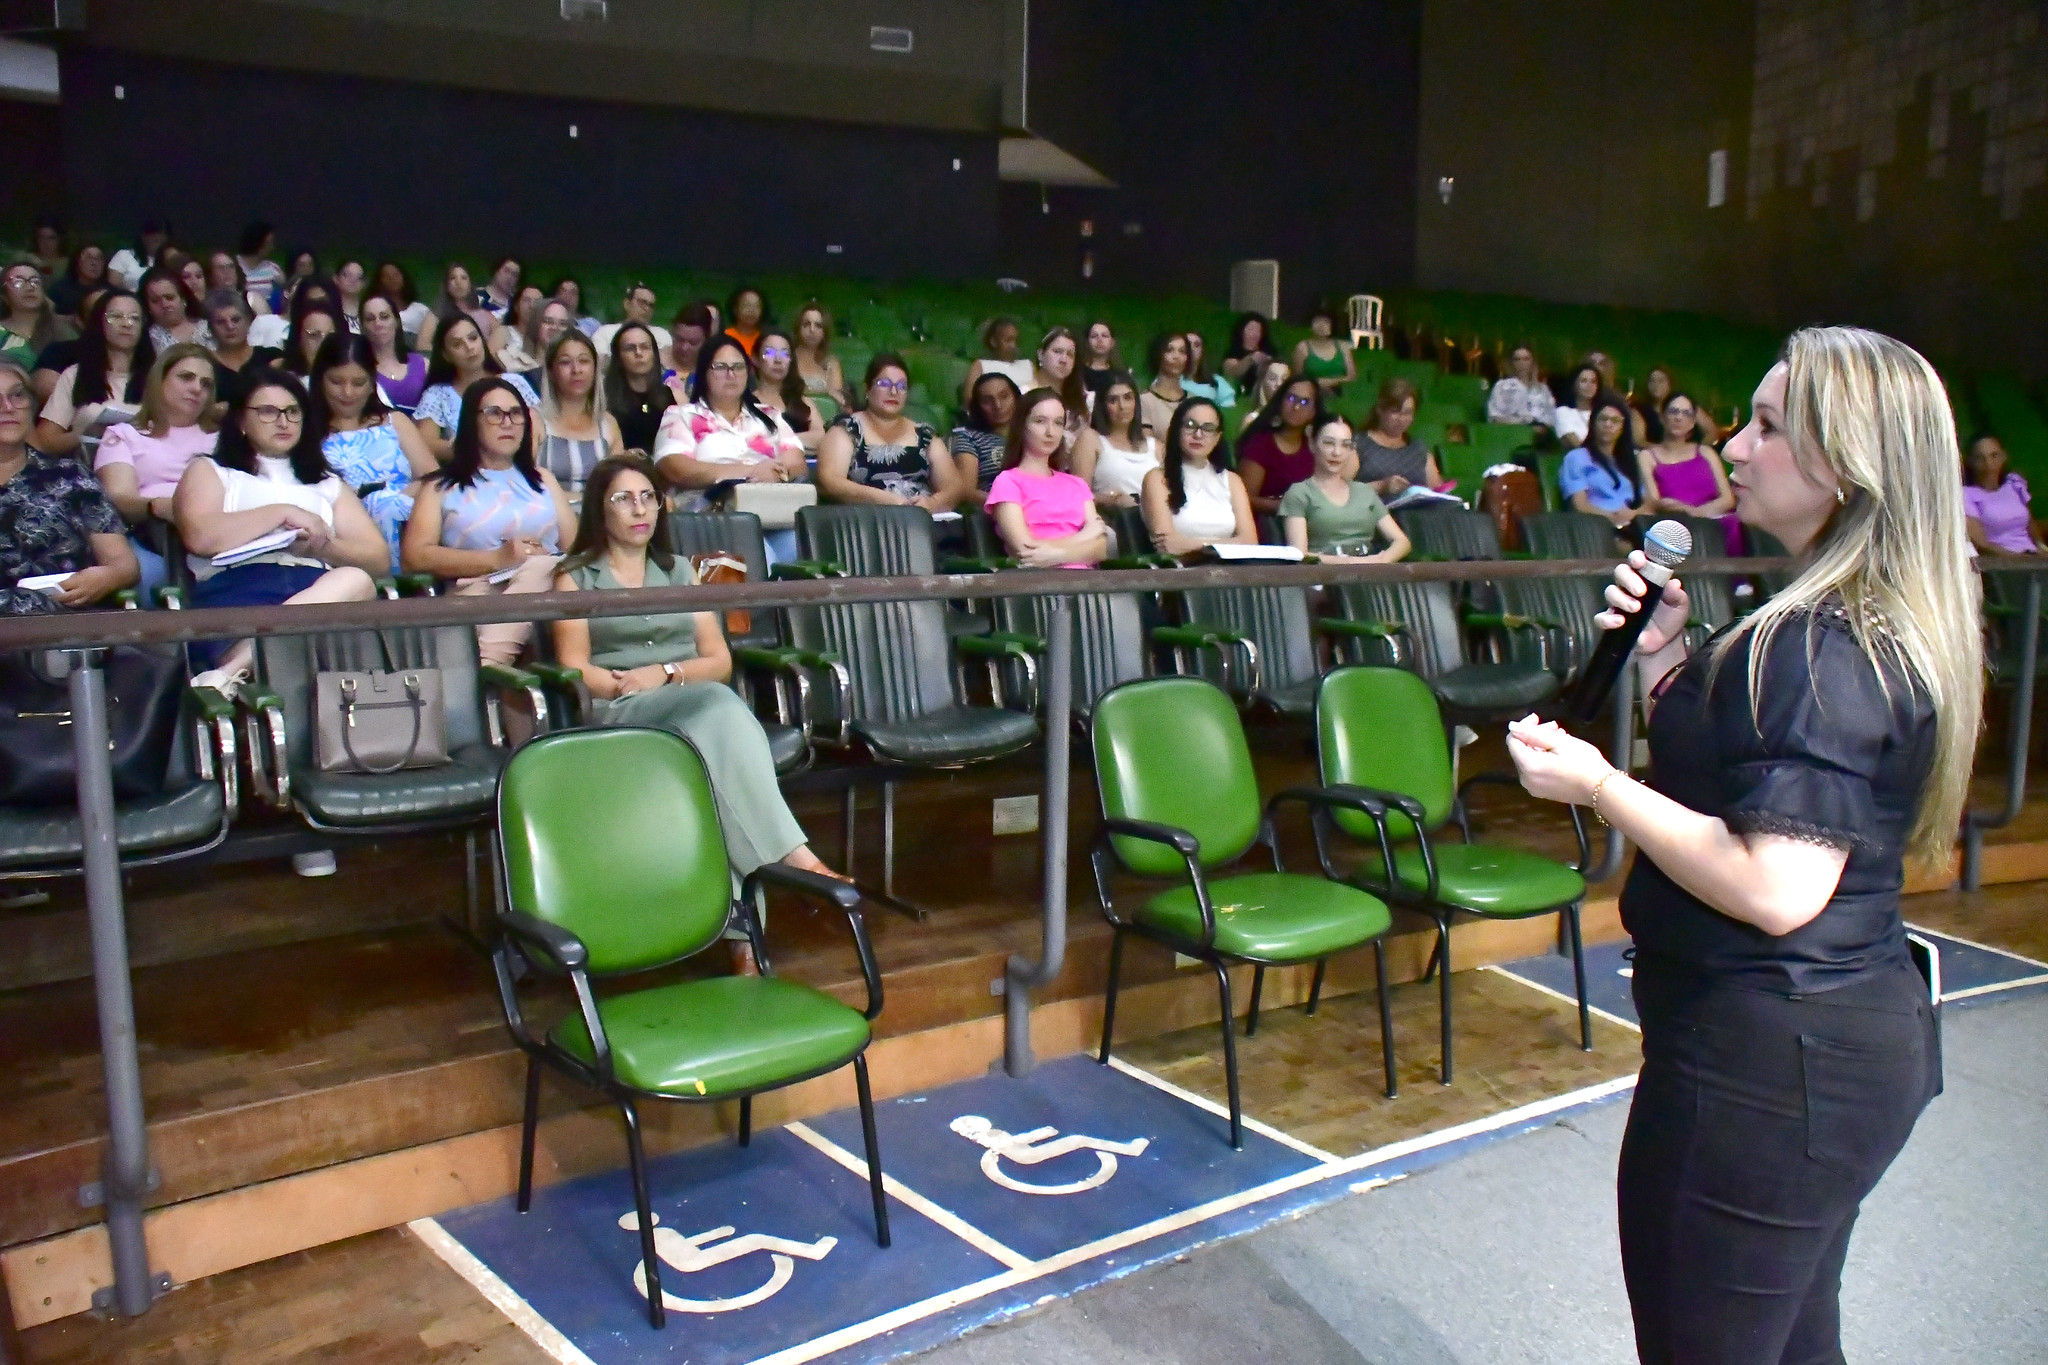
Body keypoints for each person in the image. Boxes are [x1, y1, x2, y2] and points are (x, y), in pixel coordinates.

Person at [1507, 327, 1968, 1363]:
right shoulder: (1860, 618)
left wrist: (1595, 783)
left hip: (1764, 1070)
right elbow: (1764, 778)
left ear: (1843, 467)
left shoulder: (1815, 639)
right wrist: (1669, 658)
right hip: (1829, 1047)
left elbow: (1775, 882)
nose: (1731, 445)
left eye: (1765, 427)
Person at [550, 452, 844, 972]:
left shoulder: (680, 571)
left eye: (648, 497)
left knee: (712, 747)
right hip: (619, 709)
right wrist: (625, 683)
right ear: (600, 510)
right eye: (623, 498)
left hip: (680, 699)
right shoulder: (575, 578)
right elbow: (574, 667)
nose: (639, 509)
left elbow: (719, 660)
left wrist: (663, 674)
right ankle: (794, 862)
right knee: (721, 711)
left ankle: (744, 938)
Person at [171, 368, 385, 682]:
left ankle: (228, 675)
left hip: (318, 593)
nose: (284, 422)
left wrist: (322, 546)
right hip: (238, 592)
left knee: (355, 579)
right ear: (241, 421)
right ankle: (243, 663)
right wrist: (282, 513)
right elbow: (200, 537)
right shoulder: (212, 470)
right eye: (269, 412)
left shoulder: (327, 483)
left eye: (293, 412)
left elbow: (378, 560)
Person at [402, 376, 576, 667]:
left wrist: (536, 561)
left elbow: (576, 549)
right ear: (472, 422)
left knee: (550, 566)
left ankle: (485, 667)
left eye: (516, 413)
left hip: (548, 594)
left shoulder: (544, 480)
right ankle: (490, 667)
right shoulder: (440, 486)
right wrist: (498, 558)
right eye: (495, 413)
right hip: (476, 593)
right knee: (547, 573)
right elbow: (414, 557)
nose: (507, 422)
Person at [0, 359, 139, 617]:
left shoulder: (71, 476)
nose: (8, 407)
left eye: (17, 395)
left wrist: (106, 577)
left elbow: (125, 565)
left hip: (66, 627)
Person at [95, 343, 219, 599]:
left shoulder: (223, 439)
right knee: (147, 575)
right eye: (186, 378)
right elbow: (119, 499)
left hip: (219, 536)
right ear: (159, 381)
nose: (197, 388)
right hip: (151, 537)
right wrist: (163, 507)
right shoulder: (124, 435)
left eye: (206, 383)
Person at [310, 332, 436, 572]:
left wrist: (397, 494)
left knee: (384, 504)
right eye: (336, 382)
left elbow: (434, 477)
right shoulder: (308, 433)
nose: (348, 393)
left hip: (402, 519)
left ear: (371, 383)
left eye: (358, 383)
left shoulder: (393, 422)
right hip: (343, 529)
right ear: (320, 380)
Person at [655, 334, 806, 514]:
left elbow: (796, 463)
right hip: (710, 516)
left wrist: (776, 473)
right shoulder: (681, 416)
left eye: (738, 367)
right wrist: (750, 472)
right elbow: (676, 468)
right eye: (720, 367)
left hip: (771, 511)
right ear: (704, 373)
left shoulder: (770, 415)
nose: (731, 374)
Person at [817, 353, 966, 512]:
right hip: (865, 522)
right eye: (884, 383)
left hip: (923, 522)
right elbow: (829, 482)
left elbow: (954, 487)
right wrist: (886, 499)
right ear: (867, 389)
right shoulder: (846, 429)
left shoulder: (925, 435)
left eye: (902, 386)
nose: (894, 391)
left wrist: (932, 503)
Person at [985, 388, 1108, 569]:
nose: (1050, 432)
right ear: (1021, 425)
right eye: (1040, 421)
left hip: (1088, 586)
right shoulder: (1008, 481)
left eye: (1058, 423)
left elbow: (1100, 548)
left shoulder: (1076, 484)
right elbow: (1025, 548)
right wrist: (1083, 538)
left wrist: (1054, 556)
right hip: (1040, 588)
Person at [35, 290, 151, 457]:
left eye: (134, 318)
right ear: (100, 322)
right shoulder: (75, 375)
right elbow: (45, 440)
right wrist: (83, 435)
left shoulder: (160, 376)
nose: (127, 323)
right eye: (116, 316)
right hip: (90, 471)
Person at [1280, 414, 1411, 561]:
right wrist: (1350, 562)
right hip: (1327, 576)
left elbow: (1402, 541)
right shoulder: (1299, 493)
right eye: (1329, 443)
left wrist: (1381, 560)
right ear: (1312, 444)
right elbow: (1299, 555)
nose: (1337, 452)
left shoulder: (1364, 492)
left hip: (1372, 571)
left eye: (1345, 445)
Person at [412, 313, 540, 463]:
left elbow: (538, 429)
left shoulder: (515, 383)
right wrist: (473, 452)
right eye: (457, 344)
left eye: (473, 338)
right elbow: (426, 443)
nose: (469, 347)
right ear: (445, 355)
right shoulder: (438, 394)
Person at [1142, 396, 1256, 557]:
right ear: (1176, 430)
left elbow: (1250, 542)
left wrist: (1196, 546)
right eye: (1190, 425)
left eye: (1208, 428)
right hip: (1179, 572)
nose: (1198, 434)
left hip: (1230, 570)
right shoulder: (1157, 479)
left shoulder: (1232, 480)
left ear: (1218, 437)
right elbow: (1168, 546)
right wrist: (1229, 545)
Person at [1638, 391, 1739, 552]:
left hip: (1714, 521)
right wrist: (1685, 513)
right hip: (1675, 527)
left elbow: (1727, 499)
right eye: (1673, 412)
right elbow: (1655, 501)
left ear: (1692, 422)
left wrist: (1695, 513)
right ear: (1662, 417)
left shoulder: (1706, 453)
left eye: (1686, 413)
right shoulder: (1647, 456)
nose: (1679, 418)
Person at [536, 331, 621, 500]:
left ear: (595, 368)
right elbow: (525, 482)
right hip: (549, 516)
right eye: (565, 362)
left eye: (584, 361)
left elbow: (618, 484)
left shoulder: (608, 423)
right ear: (552, 371)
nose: (576, 370)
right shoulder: (534, 419)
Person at [1072, 371, 1158, 513]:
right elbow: (1077, 497)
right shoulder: (1091, 439)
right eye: (1113, 400)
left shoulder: (1156, 447)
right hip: (1112, 523)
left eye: (1128, 398)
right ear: (1102, 405)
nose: (1122, 406)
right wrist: (1112, 500)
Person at [1237, 375, 1323, 515]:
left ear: (1313, 412)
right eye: (1291, 398)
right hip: (1264, 526)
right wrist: (1286, 506)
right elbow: (1244, 499)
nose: (1296, 407)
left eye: (1304, 402)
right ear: (1280, 402)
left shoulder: (1314, 448)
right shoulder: (1261, 445)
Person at [1558, 396, 1644, 529]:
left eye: (1615, 421)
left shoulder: (1630, 461)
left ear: (1623, 427)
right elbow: (1579, 506)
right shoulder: (1577, 457)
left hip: (1632, 524)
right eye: (1603, 419)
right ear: (1593, 423)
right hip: (1595, 526)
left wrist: (1633, 515)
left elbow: (1648, 504)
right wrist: (1611, 518)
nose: (1608, 424)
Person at [1356, 377, 1443, 501]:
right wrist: (1381, 486)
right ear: (1380, 410)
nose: (1402, 418)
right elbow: (1341, 490)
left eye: (1408, 413)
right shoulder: (1359, 443)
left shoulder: (1418, 448)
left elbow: (1436, 489)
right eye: (1395, 411)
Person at [1962, 433, 2045, 555]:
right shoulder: (1967, 495)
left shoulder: (2014, 484)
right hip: (2001, 562)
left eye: (1994, 456)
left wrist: (2041, 548)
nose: (1988, 463)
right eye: (1980, 458)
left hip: (2032, 557)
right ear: (1970, 461)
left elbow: (2031, 527)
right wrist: (2017, 559)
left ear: (2003, 456)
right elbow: (1981, 544)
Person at [950, 372, 1019, 510]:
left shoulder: (1032, 434)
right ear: (977, 406)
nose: (998, 405)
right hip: (995, 512)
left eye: (1004, 396)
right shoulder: (969, 437)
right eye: (987, 401)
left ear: (1017, 398)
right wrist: (1008, 506)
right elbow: (966, 491)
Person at [603, 321, 673, 454]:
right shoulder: (604, 399)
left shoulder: (672, 396)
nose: (638, 353)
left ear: (654, 353)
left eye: (645, 347)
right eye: (630, 348)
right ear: (618, 357)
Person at [752, 327, 825, 455]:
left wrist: (778, 441)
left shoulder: (803, 402)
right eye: (769, 353)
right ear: (756, 359)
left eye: (785, 354)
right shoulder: (746, 403)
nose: (778, 360)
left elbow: (821, 437)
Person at [205, 290, 284, 407]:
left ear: (248, 321)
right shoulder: (204, 363)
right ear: (211, 328)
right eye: (220, 322)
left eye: (236, 320)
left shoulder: (271, 356)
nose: (230, 326)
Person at [360, 293, 429, 416]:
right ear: (363, 327)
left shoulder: (423, 364)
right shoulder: (359, 370)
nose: (378, 324)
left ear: (396, 321)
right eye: (370, 319)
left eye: (384, 316)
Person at [413, 263, 493, 355]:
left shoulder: (483, 314)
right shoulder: (436, 314)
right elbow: (422, 345)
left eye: (463, 278)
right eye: (452, 278)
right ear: (446, 286)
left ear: (470, 284)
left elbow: (502, 330)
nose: (458, 282)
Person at [2, 259, 67, 369]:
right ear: (4, 295)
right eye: (18, 282)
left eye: (35, 281)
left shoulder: (64, 332)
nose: (29, 287)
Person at [962, 315, 1035, 403]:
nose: (1013, 346)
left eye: (1016, 341)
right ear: (994, 342)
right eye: (1008, 340)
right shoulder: (981, 365)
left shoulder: (1028, 365)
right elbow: (969, 400)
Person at [792, 301, 849, 410]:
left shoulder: (831, 363)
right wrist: (825, 392)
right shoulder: (788, 358)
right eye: (806, 324)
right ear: (798, 328)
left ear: (824, 332)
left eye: (818, 326)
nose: (812, 330)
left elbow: (837, 401)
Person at [1487, 344, 1556, 433]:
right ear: (1512, 363)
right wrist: (1523, 424)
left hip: (1541, 435)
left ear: (1532, 362)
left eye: (1526, 359)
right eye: (1517, 359)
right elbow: (1495, 418)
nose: (1522, 363)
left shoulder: (1543, 389)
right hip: (1512, 432)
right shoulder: (1502, 387)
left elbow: (1551, 417)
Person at [139, 265, 209, 351]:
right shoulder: (145, 340)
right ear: (147, 306)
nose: (164, 304)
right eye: (155, 301)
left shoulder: (210, 328)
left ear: (183, 299)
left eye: (169, 297)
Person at [1139, 331, 1192, 442]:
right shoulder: (1145, 401)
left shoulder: (1193, 400)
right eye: (1169, 350)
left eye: (1182, 351)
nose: (1176, 356)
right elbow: (1148, 445)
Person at [1291, 307, 1355, 392]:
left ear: (1332, 326)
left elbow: (1352, 376)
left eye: (1326, 322)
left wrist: (1330, 381)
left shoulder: (1342, 346)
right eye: (1317, 321)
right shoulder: (1302, 347)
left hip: (1339, 391)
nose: (1321, 325)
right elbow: (1297, 378)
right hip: (1312, 391)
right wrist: (1316, 384)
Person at [281, 293, 344, 379]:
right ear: (298, 338)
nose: (323, 343)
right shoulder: (284, 385)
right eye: (314, 335)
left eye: (330, 336)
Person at [591, 280, 657, 361]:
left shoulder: (662, 335)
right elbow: (598, 366)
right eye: (642, 302)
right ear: (627, 304)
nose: (647, 308)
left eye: (651, 305)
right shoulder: (605, 332)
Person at [662, 302, 715, 401]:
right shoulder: (654, 361)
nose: (684, 348)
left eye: (693, 342)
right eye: (679, 339)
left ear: (706, 340)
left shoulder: (713, 369)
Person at [490, 285, 548, 374]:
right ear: (516, 306)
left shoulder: (547, 338)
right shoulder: (503, 332)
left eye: (538, 301)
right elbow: (489, 363)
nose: (532, 305)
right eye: (526, 300)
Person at [372, 262, 432, 343]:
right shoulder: (374, 310)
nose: (392, 278)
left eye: (396, 275)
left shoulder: (421, 310)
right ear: (379, 283)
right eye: (387, 276)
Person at [48, 244, 108, 323]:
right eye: (89, 258)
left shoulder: (110, 292)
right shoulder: (59, 289)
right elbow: (45, 316)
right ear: (77, 261)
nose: (94, 263)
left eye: (99, 259)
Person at [107, 220, 169, 293]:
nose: (155, 237)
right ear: (143, 236)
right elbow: (113, 285)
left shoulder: (166, 260)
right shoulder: (124, 255)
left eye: (159, 234)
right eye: (150, 233)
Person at [234, 223, 283, 312]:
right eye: (268, 243)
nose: (271, 247)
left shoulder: (272, 268)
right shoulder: (234, 264)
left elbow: (286, 290)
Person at [1182, 330, 1237, 410]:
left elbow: (1229, 410)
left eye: (1196, 345)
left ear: (1202, 351)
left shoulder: (1216, 381)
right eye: (1187, 345)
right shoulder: (1168, 379)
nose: (1191, 349)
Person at [1220, 312, 1278, 387]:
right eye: (1251, 329)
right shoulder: (1233, 353)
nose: (1254, 334)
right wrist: (1251, 359)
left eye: (1258, 330)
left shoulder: (1269, 352)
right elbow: (1232, 372)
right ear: (1241, 331)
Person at [1236, 359, 1292, 435]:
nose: (1279, 384)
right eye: (1272, 379)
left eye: (1284, 379)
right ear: (1262, 383)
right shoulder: (1251, 421)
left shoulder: (1296, 421)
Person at [1554, 363, 1603, 449]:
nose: (1589, 385)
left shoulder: (1602, 412)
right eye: (1584, 381)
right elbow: (1575, 444)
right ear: (1574, 385)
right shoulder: (1563, 412)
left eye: (1593, 381)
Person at [1078, 320, 1122, 400]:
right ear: (1087, 342)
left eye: (1104, 336)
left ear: (1112, 342)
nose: (1099, 340)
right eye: (1094, 336)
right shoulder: (1077, 373)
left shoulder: (1120, 375)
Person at [725, 286, 768, 355]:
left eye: (757, 306)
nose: (752, 310)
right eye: (747, 305)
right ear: (735, 309)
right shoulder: (726, 337)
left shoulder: (765, 339)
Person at [333, 260, 367, 331]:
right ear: (335, 279)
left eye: (359, 277)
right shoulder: (328, 310)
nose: (353, 280)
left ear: (363, 284)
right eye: (347, 275)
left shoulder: (368, 311)